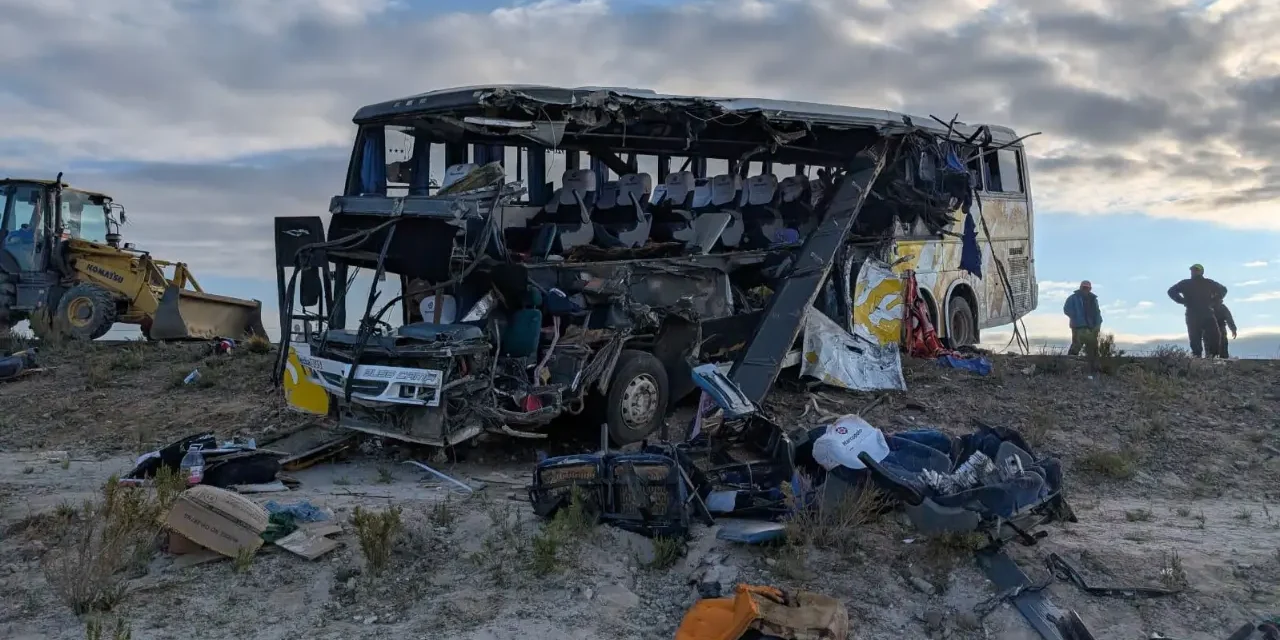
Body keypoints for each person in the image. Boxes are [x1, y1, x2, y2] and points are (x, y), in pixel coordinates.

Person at [1167, 264, 1227, 358]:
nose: (1194, 271)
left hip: (1207, 312)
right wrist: (1182, 301)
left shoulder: (1208, 283)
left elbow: (1223, 290)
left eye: (1196, 270)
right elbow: (1171, 291)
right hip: (1192, 313)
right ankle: (1197, 356)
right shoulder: (1185, 283)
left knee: (1215, 335)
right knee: (1194, 337)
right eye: (1193, 270)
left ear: (1201, 271)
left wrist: (1214, 300)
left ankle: (1213, 356)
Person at [1063, 280, 1102, 357]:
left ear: (1090, 289)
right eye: (1084, 287)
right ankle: (1070, 363)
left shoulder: (1093, 299)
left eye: (1087, 288)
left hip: (1091, 327)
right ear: (1080, 287)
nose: (1085, 289)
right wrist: (1075, 317)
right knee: (1076, 346)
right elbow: (1066, 309)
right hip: (1078, 326)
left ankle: (1093, 366)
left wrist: (1098, 325)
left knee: (1093, 349)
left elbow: (1097, 312)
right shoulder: (1073, 298)